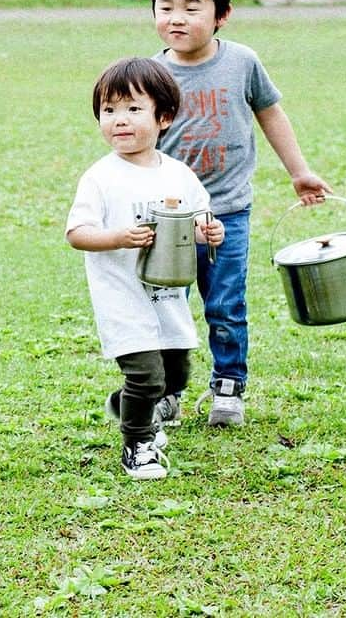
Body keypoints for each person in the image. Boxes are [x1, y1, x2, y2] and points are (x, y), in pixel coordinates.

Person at [149, 0, 331, 427]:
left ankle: (229, 385)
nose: (176, 18)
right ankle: (167, 391)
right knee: (166, 306)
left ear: (222, 14)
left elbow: (270, 113)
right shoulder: (149, 74)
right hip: (167, 218)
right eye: (165, 6)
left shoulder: (242, 62)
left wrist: (300, 172)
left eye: (192, 7)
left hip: (227, 212)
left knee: (225, 303)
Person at [66, 57, 225, 480]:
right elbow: (77, 233)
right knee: (146, 374)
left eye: (133, 109)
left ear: (164, 117)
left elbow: (198, 219)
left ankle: (127, 404)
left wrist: (208, 232)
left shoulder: (178, 174)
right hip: (123, 297)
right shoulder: (100, 178)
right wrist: (119, 237)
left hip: (168, 295)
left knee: (175, 373)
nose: (119, 120)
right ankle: (138, 444)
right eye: (108, 110)